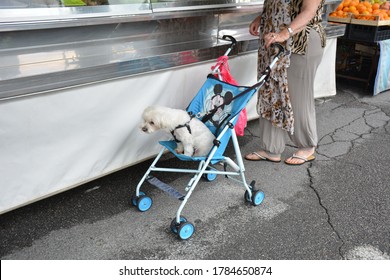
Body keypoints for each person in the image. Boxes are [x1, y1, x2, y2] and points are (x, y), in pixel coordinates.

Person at [245, 0, 326, 165]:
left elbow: (308, 12)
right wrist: (262, 18)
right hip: (273, 42)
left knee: (297, 96)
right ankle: (271, 149)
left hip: (299, 43)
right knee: (270, 92)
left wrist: (284, 33)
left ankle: (307, 146)